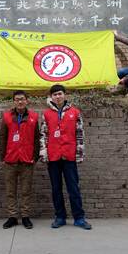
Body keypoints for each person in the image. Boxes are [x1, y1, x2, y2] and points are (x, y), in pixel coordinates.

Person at [40, 84, 91, 230]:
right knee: (56, 189)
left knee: (73, 188)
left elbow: (80, 134)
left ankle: (79, 218)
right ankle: (60, 217)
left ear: (65, 95)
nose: (58, 96)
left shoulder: (75, 112)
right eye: (55, 94)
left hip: (69, 156)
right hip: (53, 156)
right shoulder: (46, 114)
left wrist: (79, 154)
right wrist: (44, 153)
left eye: (60, 94)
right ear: (51, 97)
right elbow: (43, 135)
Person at [0, 90, 40, 230]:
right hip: (10, 159)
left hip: (27, 160)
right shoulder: (7, 117)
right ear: (14, 101)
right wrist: (3, 157)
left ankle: (25, 216)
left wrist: (35, 157)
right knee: (10, 191)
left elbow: (37, 138)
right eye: (17, 99)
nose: (20, 101)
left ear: (27, 100)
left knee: (26, 190)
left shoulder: (34, 117)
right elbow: (2, 137)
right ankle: (12, 217)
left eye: (22, 99)